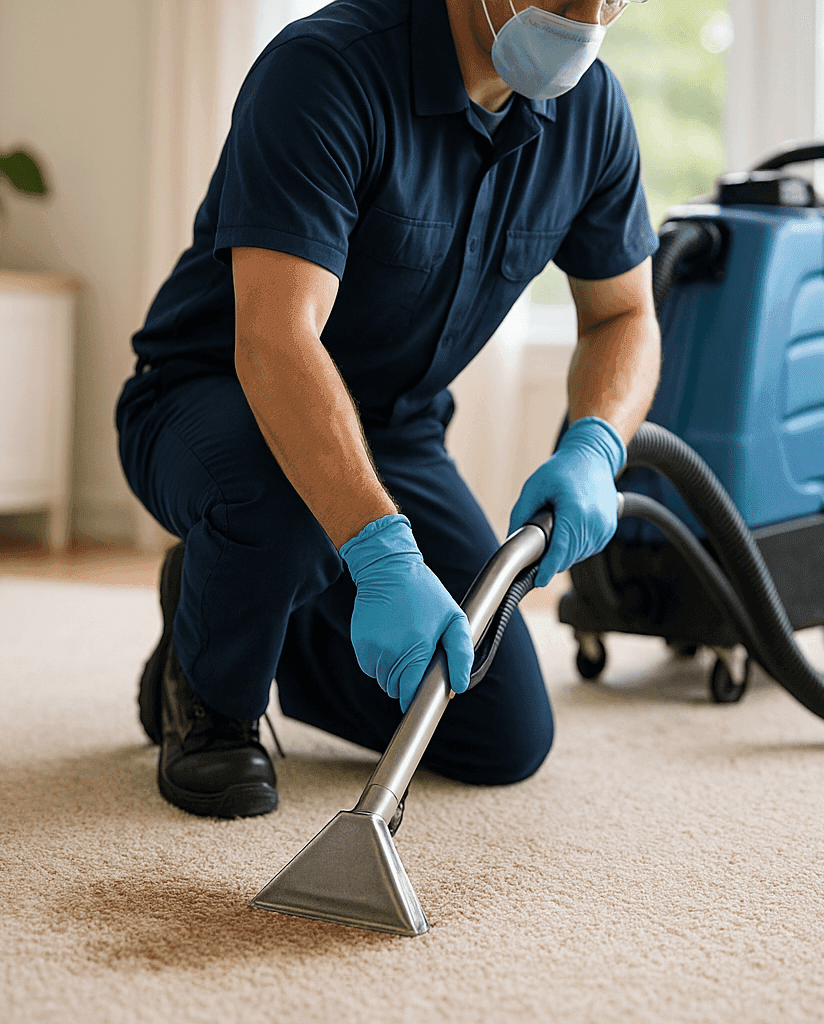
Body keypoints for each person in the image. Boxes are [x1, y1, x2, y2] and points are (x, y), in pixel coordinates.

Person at [116, 0, 661, 819]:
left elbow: (625, 315)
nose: (585, 17)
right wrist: (375, 549)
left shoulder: (593, 114)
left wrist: (596, 444)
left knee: (501, 735)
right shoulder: (326, 71)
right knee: (282, 511)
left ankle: (228, 596)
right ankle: (209, 698)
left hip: (395, 432)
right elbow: (274, 342)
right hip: (217, 397)